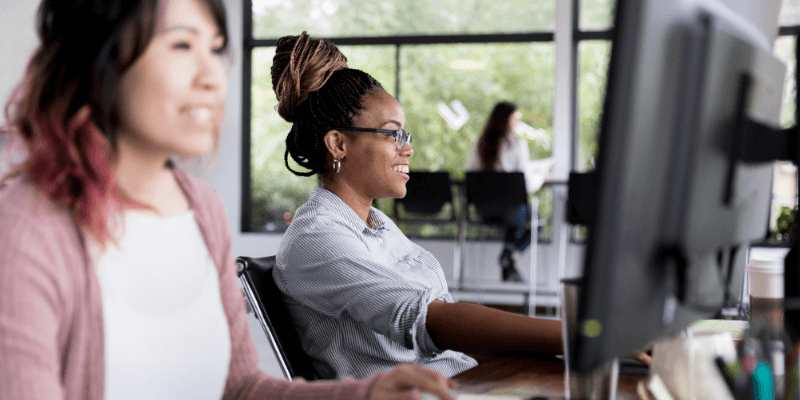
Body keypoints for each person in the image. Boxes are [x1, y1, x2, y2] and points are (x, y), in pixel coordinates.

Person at [0, 1, 458, 399]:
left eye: (215, 48)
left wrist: (364, 395)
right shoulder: (28, 230)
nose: (212, 75)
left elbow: (238, 387)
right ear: (100, 59)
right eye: (182, 45)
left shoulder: (201, 209)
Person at [272, 32, 563, 381]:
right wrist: (578, 335)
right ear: (338, 143)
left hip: (457, 375)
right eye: (392, 133)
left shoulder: (375, 224)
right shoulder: (317, 237)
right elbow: (428, 319)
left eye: (405, 135)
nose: (406, 149)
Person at [465, 102, 531, 282]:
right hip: (512, 211)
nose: (517, 123)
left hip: (483, 211)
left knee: (514, 217)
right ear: (506, 120)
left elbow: (470, 174)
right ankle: (510, 254)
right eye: (515, 119)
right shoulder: (516, 145)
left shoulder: (479, 143)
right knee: (536, 222)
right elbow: (526, 184)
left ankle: (508, 257)